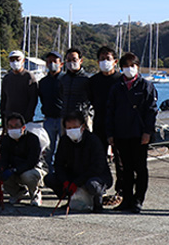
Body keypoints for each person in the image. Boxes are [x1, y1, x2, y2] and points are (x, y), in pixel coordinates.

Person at [105, 53, 157, 214]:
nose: (129, 69)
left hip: (139, 134)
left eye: (132, 65)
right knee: (125, 169)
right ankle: (126, 199)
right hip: (121, 134)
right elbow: (110, 112)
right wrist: (110, 134)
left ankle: (138, 200)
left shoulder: (146, 86)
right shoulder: (116, 87)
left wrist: (148, 132)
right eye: (126, 66)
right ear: (121, 68)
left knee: (140, 168)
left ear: (138, 66)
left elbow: (151, 111)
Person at [44, 111, 112, 213]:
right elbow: (59, 164)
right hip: (73, 174)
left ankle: (97, 203)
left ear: (83, 127)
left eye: (75, 127)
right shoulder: (64, 141)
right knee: (50, 179)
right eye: (69, 128)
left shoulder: (93, 140)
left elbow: (98, 167)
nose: (72, 131)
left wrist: (78, 182)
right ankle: (70, 200)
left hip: (94, 176)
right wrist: (65, 181)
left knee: (93, 185)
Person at [87, 46, 124, 206]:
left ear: (115, 61)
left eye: (108, 58)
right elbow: (89, 102)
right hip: (99, 123)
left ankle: (121, 191)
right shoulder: (93, 81)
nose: (104, 62)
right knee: (98, 158)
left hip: (119, 125)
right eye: (101, 59)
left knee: (120, 160)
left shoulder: (121, 79)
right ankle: (99, 190)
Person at [0, 113, 45, 206]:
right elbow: (4, 157)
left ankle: (35, 193)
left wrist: (15, 169)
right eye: (10, 126)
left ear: (23, 127)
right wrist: (2, 167)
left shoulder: (32, 138)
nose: (13, 129)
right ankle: (17, 192)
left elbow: (32, 161)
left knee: (28, 176)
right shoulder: (6, 140)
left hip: (33, 168)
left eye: (16, 126)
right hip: (14, 169)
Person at [38, 51, 64, 170]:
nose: (51, 63)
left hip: (63, 119)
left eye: (55, 61)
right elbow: (42, 98)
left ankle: (62, 172)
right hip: (48, 118)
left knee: (64, 147)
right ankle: (49, 173)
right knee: (48, 148)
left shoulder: (65, 79)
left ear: (61, 63)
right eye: (49, 62)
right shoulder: (43, 82)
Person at [1, 49, 39, 123]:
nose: (15, 62)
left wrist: (28, 116)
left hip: (25, 118)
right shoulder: (6, 78)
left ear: (23, 60)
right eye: (12, 60)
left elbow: (33, 99)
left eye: (17, 59)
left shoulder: (29, 77)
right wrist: (3, 116)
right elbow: (3, 99)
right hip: (9, 117)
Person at [59, 48, 92, 127]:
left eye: (74, 59)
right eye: (68, 60)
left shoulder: (86, 79)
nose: (71, 62)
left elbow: (92, 99)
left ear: (80, 61)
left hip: (82, 118)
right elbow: (61, 95)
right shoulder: (63, 79)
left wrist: (88, 115)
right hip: (66, 117)